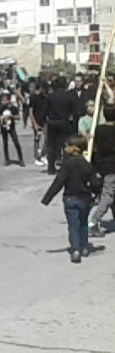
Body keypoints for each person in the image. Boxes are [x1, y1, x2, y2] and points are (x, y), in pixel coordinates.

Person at [41, 134, 95, 263]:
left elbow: (59, 182)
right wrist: (96, 194)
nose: (65, 149)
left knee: (73, 225)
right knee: (83, 223)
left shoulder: (67, 164)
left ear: (74, 148)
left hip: (70, 199)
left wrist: (47, 198)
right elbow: (96, 182)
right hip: (85, 199)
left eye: (67, 146)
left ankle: (75, 250)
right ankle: (84, 246)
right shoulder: (87, 164)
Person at [89, 104, 115, 237]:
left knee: (111, 193)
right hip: (112, 166)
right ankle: (93, 222)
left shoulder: (99, 129)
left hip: (102, 164)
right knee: (108, 195)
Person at [44, 77, 76, 175]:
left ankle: (51, 167)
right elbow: (73, 110)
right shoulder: (69, 96)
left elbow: (45, 110)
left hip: (52, 122)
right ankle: (65, 167)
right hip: (64, 122)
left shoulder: (50, 96)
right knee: (65, 145)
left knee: (51, 145)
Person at [0, 93, 25, 166]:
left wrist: (11, 116)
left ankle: (20, 159)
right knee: (5, 143)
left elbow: (18, 117)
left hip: (11, 127)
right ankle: (7, 159)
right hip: (3, 127)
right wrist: (1, 118)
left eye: (4, 100)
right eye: (2, 100)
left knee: (16, 142)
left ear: (8, 100)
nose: (2, 102)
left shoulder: (13, 108)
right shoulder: (2, 108)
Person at [30, 82, 49, 168]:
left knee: (46, 139)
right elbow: (31, 111)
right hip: (37, 121)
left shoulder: (45, 98)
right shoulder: (33, 98)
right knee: (37, 139)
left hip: (45, 121)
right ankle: (37, 157)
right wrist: (34, 123)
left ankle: (43, 155)